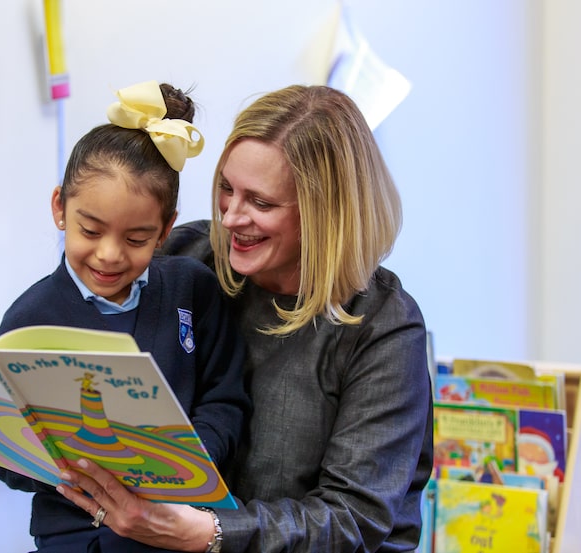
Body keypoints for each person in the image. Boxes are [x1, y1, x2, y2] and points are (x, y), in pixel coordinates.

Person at [52, 84, 434, 553]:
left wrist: (209, 533)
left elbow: (352, 518)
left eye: (261, 202)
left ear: (324, 213)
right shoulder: (184, 259)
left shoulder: (383, 327)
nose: (230, 218)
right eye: (225, 189)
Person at [0, 80, 251, 552]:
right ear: (60, 209)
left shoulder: (193, 289)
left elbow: (226, 399)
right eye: (91, 229)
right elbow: (15, 459)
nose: (109, 255)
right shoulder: (31, 318)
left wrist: (187, 463)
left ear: (166, 229)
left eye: (136, 239)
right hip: (76, 535)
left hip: (182, 526)